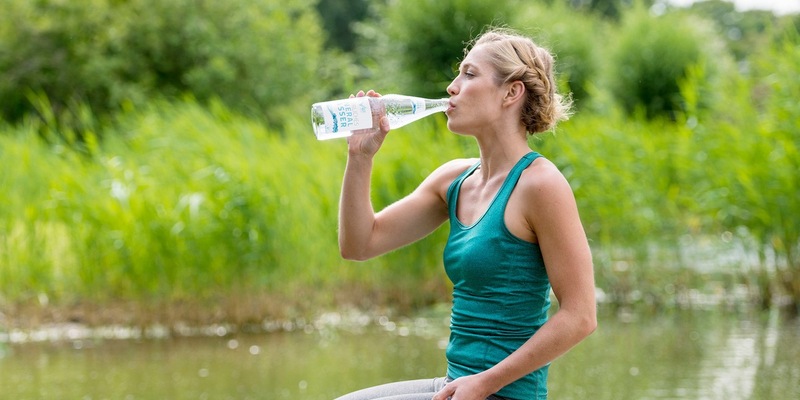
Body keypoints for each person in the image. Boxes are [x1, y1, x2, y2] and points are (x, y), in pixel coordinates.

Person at [334, 27, 597, 400]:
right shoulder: (454, 180)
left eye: (469, 74)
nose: (452, 87)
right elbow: (360, 244)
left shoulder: (540, 185)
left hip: (501, 393)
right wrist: (359, 158)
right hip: (456, 384)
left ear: (511, 92)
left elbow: (581, 316)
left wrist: (486, 382)